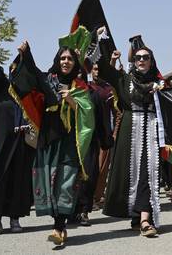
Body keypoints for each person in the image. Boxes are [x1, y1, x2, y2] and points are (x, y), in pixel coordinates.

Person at [13, 41, 94, 245]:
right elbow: (32, 74)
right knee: (49, 182)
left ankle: (59, 227)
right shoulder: (49, 80)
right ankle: (59, 223)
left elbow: (88, 116)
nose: (66, 61)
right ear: (58, 61)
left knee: (65, 183)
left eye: (69, 59)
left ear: (75, 63)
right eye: (62, 58)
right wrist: (26, 53)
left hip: (69, 140)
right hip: (49, 137)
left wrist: (72, 101)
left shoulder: (80, 87)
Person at [95, 26, 162, 237]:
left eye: (146, 57)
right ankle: (137, 217)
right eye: (138, 57)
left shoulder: (159, 85)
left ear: (151, 61)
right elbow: (104, 69)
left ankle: (144, 219)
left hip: (151, 133)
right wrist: (102, 40)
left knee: (147, 174)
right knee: (130, 175)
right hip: (129, 134)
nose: (141, 60)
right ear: (134, 61)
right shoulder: (124, 80)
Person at [0, 29, 35, 235]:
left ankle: (14, 219)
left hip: (21, 142)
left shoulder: (31, 95)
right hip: (1, 141)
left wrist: (26, 56)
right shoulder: (3, 86)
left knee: (18, 179)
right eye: (15, 68)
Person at [74, 63, 115, 226]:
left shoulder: (93, 94)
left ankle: (84, 211)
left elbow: (102, 119)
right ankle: (69, 212)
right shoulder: (64, 93)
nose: (77, 76)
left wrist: (106, 140)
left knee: (88, 176)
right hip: (69, 144)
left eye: (80, 73)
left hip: (90, 143)